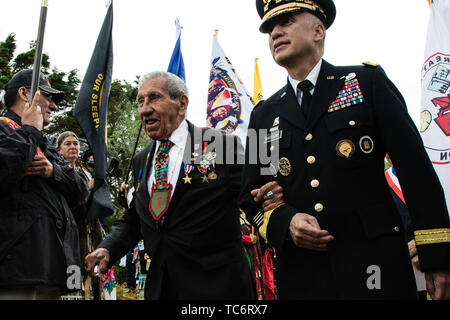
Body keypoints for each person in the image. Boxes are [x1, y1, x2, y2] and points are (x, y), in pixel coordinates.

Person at [239, 0, 450, 300]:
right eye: (270, 28)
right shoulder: (264, 115)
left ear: (318, 30)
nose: (275, 32)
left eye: (286, 21)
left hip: (376, 269)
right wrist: (287, 221)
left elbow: (416, 173)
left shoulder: (367, 84)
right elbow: (252, 193)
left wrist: (438, 257)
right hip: (303, 277)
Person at [84, 71, 257, 300]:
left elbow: (256, 193)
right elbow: (136, 218)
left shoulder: (220, 145)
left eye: (154, 98)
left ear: (182, 104)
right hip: (162, 288)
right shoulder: (141, 160)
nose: (145, 109)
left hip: (218, 287)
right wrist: (108, 248)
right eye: (140, 101)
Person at [0, 69, 89, 299]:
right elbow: (7, 167)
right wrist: (29, 130)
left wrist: (53, 172)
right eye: (48, 96)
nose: (54, 105)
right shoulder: (4, 129)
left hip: (54, 269)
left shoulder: (46, 144)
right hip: (18, 271)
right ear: (24, 93)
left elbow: (80, 189)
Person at [56, 131, 104, 300]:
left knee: (90, 278)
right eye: (67, 144)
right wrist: (88, 187)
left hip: (88, 232)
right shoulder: (58, 170)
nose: (73, 147)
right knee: (72, 279)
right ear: (59, 150)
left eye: (75, 143)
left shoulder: (84, 172)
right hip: (68, 236)